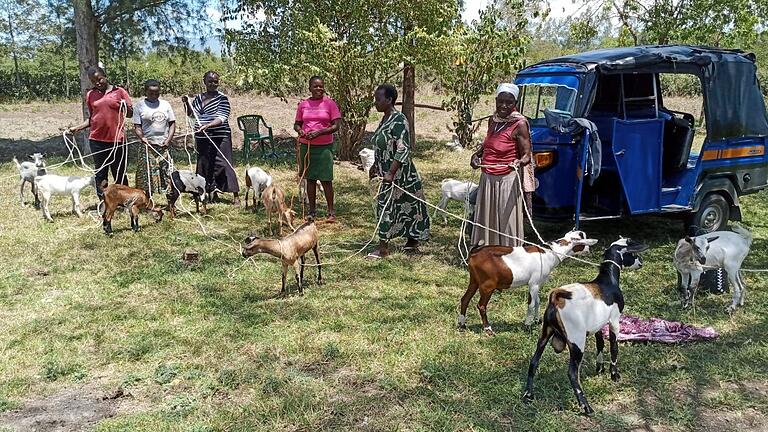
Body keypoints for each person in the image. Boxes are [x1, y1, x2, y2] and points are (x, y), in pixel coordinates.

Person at [367, 84, 430, 259]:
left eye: (378, 99)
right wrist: (375, 165)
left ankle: (384, 249)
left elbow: (403, 149)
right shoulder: (385, 119)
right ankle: (410, 242)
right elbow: (383, 145)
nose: (375, 102)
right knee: (399, 206)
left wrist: (391, 173)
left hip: (400, 173)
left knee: (393, 206)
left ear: (389, 100)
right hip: (385, 170)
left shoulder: (399, 120)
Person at [470, 83, 532, 247]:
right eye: (501, 101)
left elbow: (527, 154)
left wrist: (518, 162)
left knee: (506, 219)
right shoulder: (493, 119)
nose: (504, 106)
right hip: (488, 177)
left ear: (515, 103)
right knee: (486, 216)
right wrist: (476, 156)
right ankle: (487, 250)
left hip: (507, 179)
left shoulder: (519, 124)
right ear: (496, 100)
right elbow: (488, 144)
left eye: (509, 102)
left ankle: (508, 253)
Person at [67, 65, 133, 199]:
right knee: (101, 173)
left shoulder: (119, 91)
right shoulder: (91, 94)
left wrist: (125, 107)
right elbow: (92, 119)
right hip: (97, 140)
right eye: (93, 81)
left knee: (119, 172)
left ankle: (123, 200)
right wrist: (77, 128)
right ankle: (104, 201)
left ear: (105, 76)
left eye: (99, 79)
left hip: (117, 140)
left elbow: (131, 113)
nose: (97, 83)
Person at [182, 71, 240, 206]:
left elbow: (222, 117)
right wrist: (186, 104)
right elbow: (191, 115)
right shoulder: (198, 98)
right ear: (204, 82)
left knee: (224, 164)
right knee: (204, 164)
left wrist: (207, 125)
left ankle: (235, 195)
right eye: (210, 81)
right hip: (202, 135)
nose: (213, 84)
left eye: (215, 81)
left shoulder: (222, 99)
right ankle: (207, 192)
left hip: (220, 135)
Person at [294, 76, 342, 221]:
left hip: (324, 148)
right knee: (310, 179)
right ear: (309, 88)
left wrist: (319, 132)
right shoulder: (303, 105)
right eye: (315, 86)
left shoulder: (330, 104)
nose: (319, 89)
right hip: (307, 146)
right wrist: (300, 131)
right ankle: (312, 211)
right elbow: (297, 124)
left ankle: (331, 212)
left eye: (321, 86)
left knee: (326, 179)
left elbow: (336, 126)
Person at [133, 79, 176, 201]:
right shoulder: (140, 106)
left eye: (157, 93)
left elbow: (172, 123)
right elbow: (137, 127)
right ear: (145, 92)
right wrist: (142, 138)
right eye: (151, 93)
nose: (154, 95)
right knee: (146, 175)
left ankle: (171, 203)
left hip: (164, 146)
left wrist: (168, 140)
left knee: (167, 173)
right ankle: (146, 202)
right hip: (148, 146)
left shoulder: (166, 105)